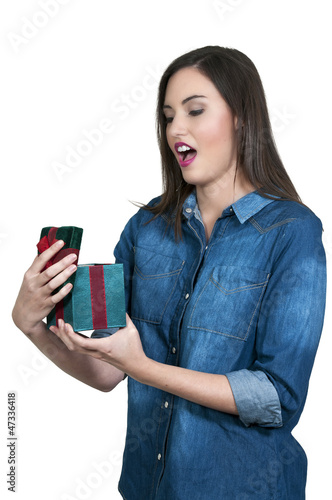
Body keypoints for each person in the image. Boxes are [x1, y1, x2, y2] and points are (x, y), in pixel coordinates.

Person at [12, 46, 326, 499]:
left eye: (195, 111)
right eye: (167, 116)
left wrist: (144, 367)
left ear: (241, 117)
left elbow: (277, 398)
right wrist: (32, 325)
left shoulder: (292, 233)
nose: (175, 128)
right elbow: (107, 371)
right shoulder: (146, 231)